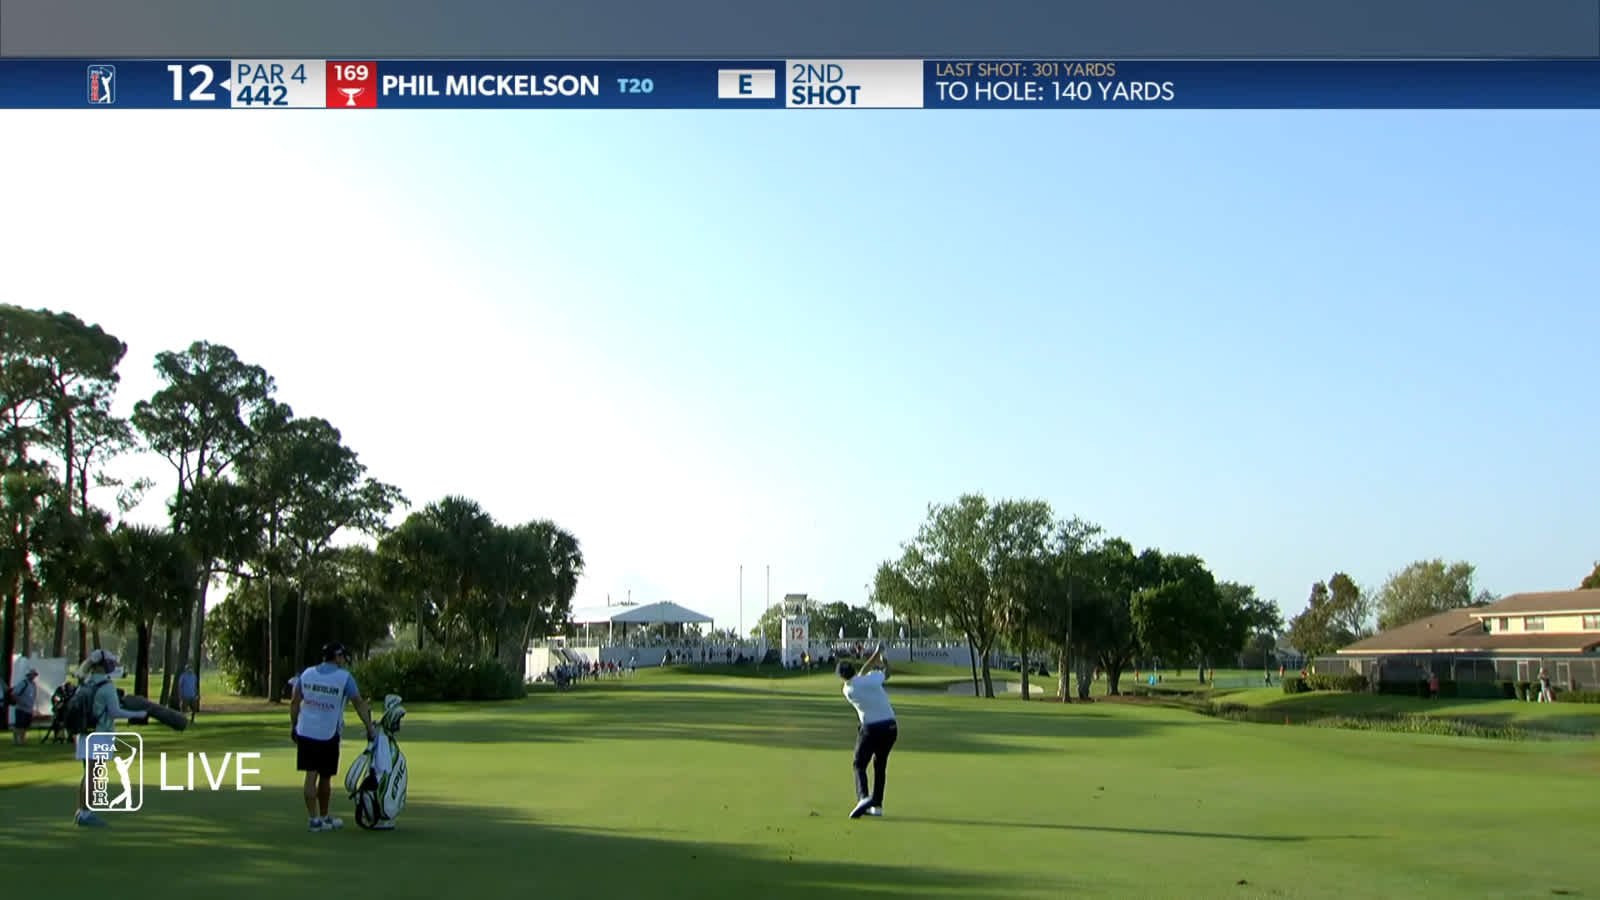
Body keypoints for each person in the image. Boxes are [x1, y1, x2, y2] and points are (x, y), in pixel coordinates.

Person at [290, 641, 375, 832]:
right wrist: (369, 726)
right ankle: (323, 816)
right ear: (337, 657)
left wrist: (294, 725)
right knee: (325, 777)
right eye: (342, 656)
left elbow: (295, 702)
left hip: (306, 731)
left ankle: (315, 820)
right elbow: (358, 703)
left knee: (310, 776)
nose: (344, 659)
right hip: (328, 733)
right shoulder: (344, 678)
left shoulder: (307, 674)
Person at [73, 649, 147, 827]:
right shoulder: (106, 686)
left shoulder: (86, 682)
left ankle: (82, 811)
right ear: (103, 665)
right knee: (94, 775)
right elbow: (115, 712)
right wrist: (139, 714)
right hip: (100, 735)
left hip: (86, 734)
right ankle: (85, 813)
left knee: (89, 774)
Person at [837, 643, 898, 819]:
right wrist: (882, 656)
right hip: (891, 727)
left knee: (859, 764)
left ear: (842, 677)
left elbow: (860, 674)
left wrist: (876, 655)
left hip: (871, 729)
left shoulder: (848, 690)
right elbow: (887, 673)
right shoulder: (872, 679)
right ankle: (877, 805)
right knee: (880, 766)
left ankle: (863, 797)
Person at [10, 666, 38, 744]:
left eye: (34, 675)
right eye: (32, 674)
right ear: (28, 675)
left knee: (25, 726)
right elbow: (14, 694)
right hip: (21, 708)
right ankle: (16, 740)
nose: (33, 676)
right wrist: (20, 702)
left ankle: (22, 739)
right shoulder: (23, 683)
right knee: (19, 725)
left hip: (29, 709)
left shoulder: (34, 685)